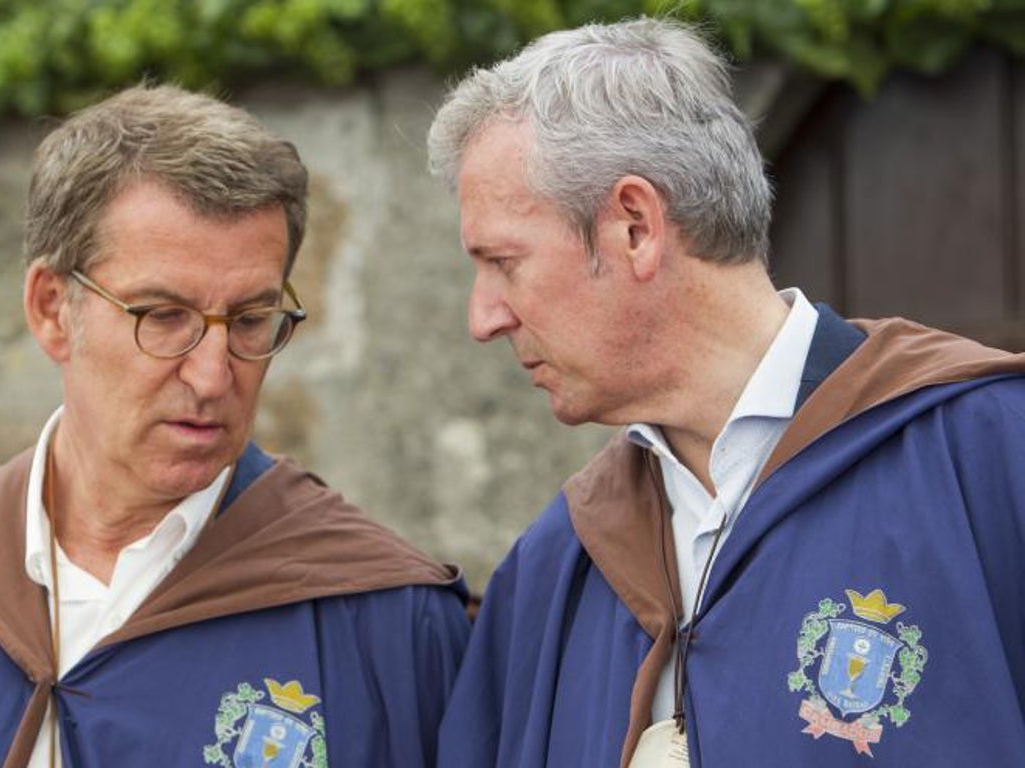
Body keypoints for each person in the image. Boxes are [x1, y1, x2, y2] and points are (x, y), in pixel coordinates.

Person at [0, 84, 470, 768]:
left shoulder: (389, 624)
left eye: (250, 320)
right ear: (52, 309)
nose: (213, 376)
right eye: (163, 316)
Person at [427, 17, 1025, 767]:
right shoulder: (554, 568)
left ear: (636, 227)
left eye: (504, 262)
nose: (482, 318)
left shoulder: (992, 455)